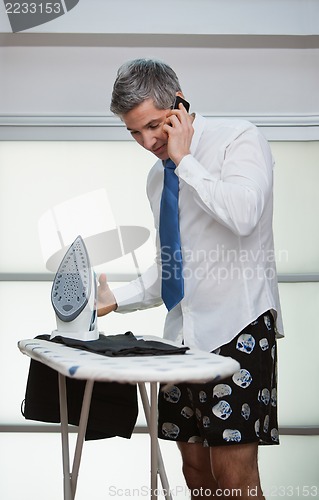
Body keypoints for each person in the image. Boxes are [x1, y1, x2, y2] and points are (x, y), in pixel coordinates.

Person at [98, 58, 284, 499]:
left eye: (155, 126)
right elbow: (173, 268)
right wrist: (114, 298)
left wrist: (184, 160)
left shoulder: (238, 140)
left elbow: (243, 215)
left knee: (234, 480)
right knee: (195, 471)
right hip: (183, 337)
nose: (147, 142)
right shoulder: (156, 179)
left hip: (238, 328)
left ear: (179, 105)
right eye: (134, 133)